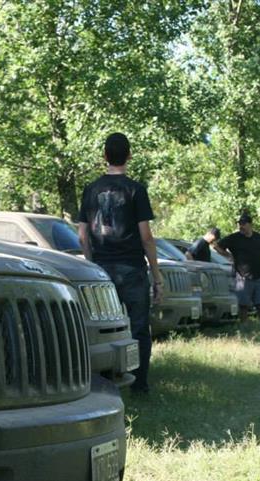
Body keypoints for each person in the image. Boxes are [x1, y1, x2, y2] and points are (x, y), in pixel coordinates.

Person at [78, 132, 163, 394]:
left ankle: (101, 383)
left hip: (101, 271)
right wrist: (157, 276)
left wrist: (92, 267)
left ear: (104, 156)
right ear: (129, 155)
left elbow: (83, 236)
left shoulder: (90, 190)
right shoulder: (136, 190)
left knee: (101, 330)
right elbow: (146, 236)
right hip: (132, 268)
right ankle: (139, 385)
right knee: (138, 329)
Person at [215, 214, 260, 324]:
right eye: (239, 224)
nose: (241, 226)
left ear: (250, 224)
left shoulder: (258, 237)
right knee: (243, 304)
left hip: (259, 275)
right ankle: (244, 326)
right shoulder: (234, 238)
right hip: (242, 277)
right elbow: (217, 246)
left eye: (243, 224)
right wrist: (228, 255)